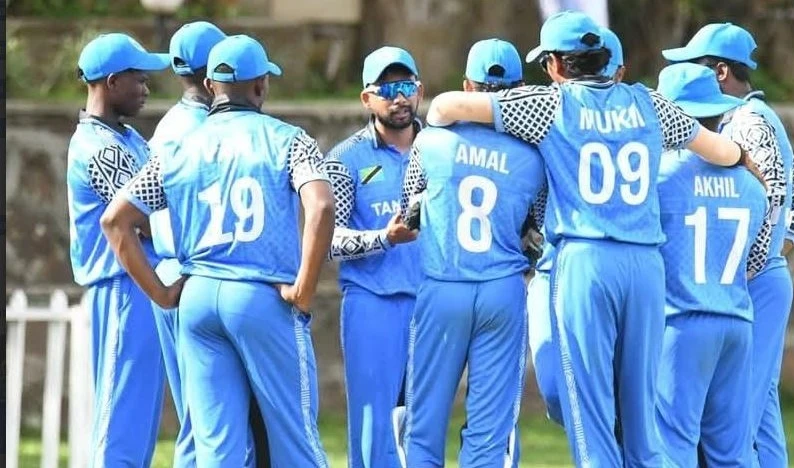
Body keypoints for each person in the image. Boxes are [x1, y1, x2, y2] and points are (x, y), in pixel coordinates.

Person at [424, 11, 763, 467]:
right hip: (645, 268)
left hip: (586, 261)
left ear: (556, 66)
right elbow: (721, 151)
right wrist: (744, 157)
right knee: (643, 424)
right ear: (605, 60)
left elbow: (443, 108)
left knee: (591, 419)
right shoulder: (650, 104)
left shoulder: (548, 104)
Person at [100, 34, 334, 467]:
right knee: (295, 437)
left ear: (210, 87)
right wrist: (304, 287)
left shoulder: (176, 148)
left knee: (215, 449)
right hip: (261, 296)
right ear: (261, 86)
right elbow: (320, 204)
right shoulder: (288, 139)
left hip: (199, 299)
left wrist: (162, 293)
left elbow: (115, 221)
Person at [662, 24, 794, 466]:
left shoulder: (745, 120)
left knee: (739, 418)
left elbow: (773, 194)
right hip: (758, 274)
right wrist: (773, 252)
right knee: (759, 407)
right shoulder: (753, 116)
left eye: (694, 65)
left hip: (749, 280)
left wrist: (754, 261)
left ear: (719, 72)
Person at [399, 38, 545, 468]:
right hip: (502, 288)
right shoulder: (531, 155)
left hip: (444, 285)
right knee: (489, 428)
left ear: (467, 85)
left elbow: (412, 210)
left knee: (423, 422)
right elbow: (535, 229)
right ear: (518, 91)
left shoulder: (433, 142)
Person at [144, 21, 248, 468]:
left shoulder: (172, 122)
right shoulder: (201, 129)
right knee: (210, 418)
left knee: (201, 413)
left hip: (175, 269)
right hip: (194, 271)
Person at [654, 62, 768, 467]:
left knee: (673, 447)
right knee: (732, 453)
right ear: (719, 112)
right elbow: (756, 258)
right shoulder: (753, 187)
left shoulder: (658, 178)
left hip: (681, 323)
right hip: (737, 324)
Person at [67, 32, 169, 466]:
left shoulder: (126, 137)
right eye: (139, 80)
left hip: (141, 284)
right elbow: (143, 219)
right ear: (110, 83)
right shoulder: (98, 147)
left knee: (142, 419)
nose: (146, 89)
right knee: (120, 420)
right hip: (123, 289)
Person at [323, 46, 423, 468]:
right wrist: (385, 237)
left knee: (424, 424)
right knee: (374, 425)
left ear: (418, 90)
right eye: (387, 89)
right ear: (367, 98)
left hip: (433, 303)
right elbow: (328, 239)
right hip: (373, 303)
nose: (398, 98)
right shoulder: (346, 159)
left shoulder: (440, 148)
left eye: (405, 87)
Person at [526, 25, 626, 429]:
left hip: (624, 261)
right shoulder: (552, 110)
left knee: (622, 397)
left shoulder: (641, 115)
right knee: (557, 387)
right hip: (557, 263)